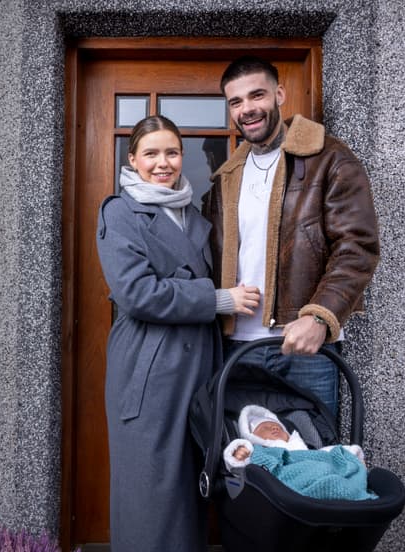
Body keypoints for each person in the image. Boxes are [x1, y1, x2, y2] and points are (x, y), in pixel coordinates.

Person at [96, 115, 260, 552]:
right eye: (151, 153)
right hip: (149, 365)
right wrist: (218, 299)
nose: (162, 163)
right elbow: (137, 293)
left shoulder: (193, 212)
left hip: (198, 366)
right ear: (133, 159)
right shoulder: (120, 212)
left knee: (191, 485)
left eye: (171, 152)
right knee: (151, 488)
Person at [205, 56, 381, 417]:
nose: (247, 109)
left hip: (306, 348)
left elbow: (357, 247)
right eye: (236, 102)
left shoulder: (329, 158)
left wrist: (320, 318)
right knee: (243, 451)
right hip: (236, 348)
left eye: (257, 95)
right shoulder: (225, 178)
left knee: (313, 449)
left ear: (280, 94)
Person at [222, 405, 375, 501]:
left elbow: (327, 453)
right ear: (253, 437)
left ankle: (345, 489)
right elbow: (240, 470)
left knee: (329, 467)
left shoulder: (303, 448)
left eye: (277, 426)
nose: (273, 428)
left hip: (314, 466)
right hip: (284, 485)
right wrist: (240, 456)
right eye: (265, 428)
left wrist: (352, 456)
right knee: (328, 476)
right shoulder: (258, 452)